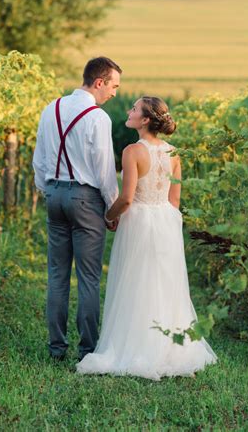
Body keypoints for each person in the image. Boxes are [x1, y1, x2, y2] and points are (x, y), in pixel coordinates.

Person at [76, 96, 217, 380]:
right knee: (164, 282)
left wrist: (109, 216)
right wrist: (163, 219)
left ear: (144, 120)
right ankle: (168, 347)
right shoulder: (174, 152)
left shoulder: (132, 152)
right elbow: (174, 200)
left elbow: (126, 198)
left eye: (134, 109)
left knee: (135, 280)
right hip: (165, 220)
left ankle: (136, 345)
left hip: (139, 220)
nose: (128, 112)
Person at [33, 56, 122, 362]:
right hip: (85, 200)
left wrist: (50, 191)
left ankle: (56, 349)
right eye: (113, 85)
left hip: (54, 194)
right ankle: (88, 350)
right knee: (88, 277)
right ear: (99, 82)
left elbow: (39, 160)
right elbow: (104, 172)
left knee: (57, 275)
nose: (114, 93)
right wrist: (113, 210)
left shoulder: (51, 108)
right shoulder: (98, 118)